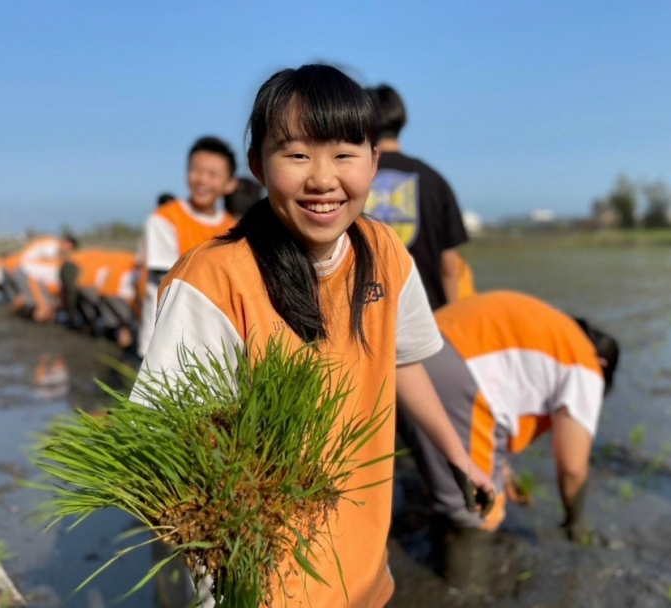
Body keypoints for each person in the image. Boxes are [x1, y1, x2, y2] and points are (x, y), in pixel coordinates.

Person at [133, 64, 495, 608]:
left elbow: (401, 362)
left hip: (364, 573)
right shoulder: (214, 278)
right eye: (297, 154)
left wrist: (457, 457)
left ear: (375, 162)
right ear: (257, 165)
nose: (323, 179)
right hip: (259, 585)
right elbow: (165, 442)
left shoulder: (384, 253)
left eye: (345, 154)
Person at [399, 290, 620, 591]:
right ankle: (462, 593)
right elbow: (572, 468)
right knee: (482, 509)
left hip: (414, 353)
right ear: (604, 366)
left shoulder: (555, 331)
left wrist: (503, 472)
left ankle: (427, 548)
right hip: (453, 374)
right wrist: (576, 523)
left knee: (452, 488)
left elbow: (499, 390)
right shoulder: (586, 363)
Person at [364, 84, 468, 310]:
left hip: (368, 319)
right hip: (429, 316)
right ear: (401, 119)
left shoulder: (352, 177)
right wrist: (451, 319)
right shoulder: (433, 180)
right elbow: (450, 266)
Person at [137, 137, 238, 358]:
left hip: (209, 348)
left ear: (230, 184)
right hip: (162, 344)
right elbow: (167, 279)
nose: (202, 179)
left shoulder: (234, 229)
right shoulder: (165, 219)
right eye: (196, 170)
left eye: (213, 174)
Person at [96, 250, 138, 349]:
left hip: (104, 293)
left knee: (119, 323)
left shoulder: (114, 260)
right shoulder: (133, 261)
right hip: (116, 294)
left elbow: (101, 275)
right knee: (128, 322)